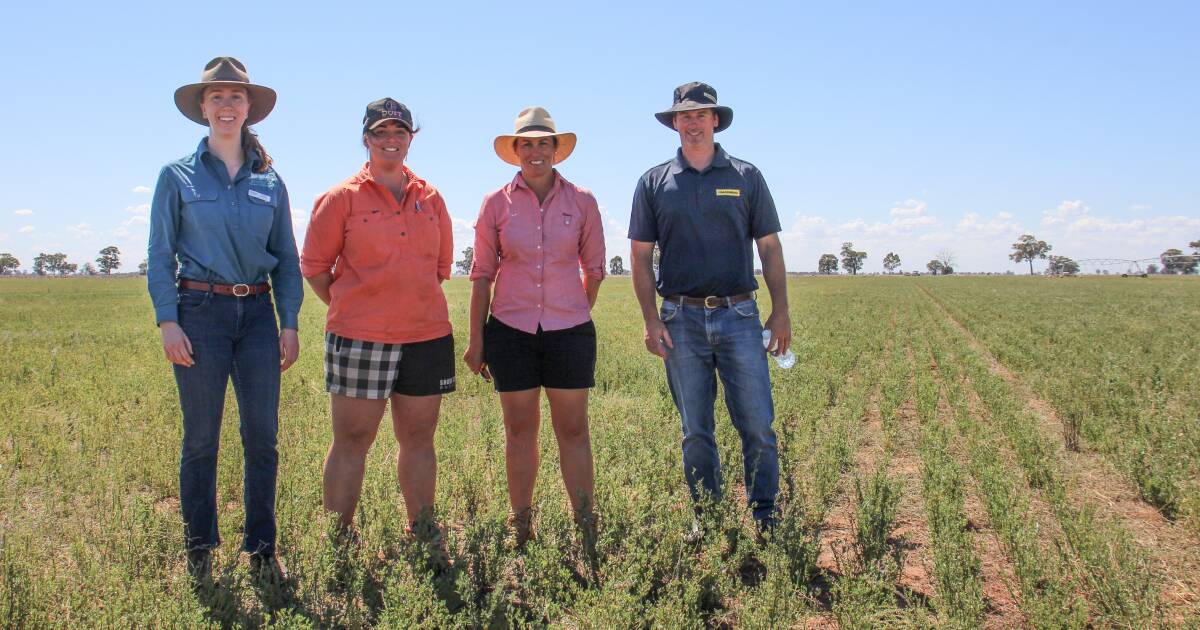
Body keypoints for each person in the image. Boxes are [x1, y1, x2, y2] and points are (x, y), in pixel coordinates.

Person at [148, 57, 302, 585]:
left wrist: (289, 323)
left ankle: (261, 546)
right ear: (202, 108)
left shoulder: (270, 181)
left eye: (236, 96)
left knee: (262, 436)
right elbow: (160, 252)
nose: (227, 105)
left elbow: (286, 257)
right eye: (217, 97)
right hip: (200, 314)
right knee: (201, 438)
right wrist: (169, 321)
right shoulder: (177, 177)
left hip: (258, 315)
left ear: (249, 107)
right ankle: (199, 545)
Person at [628, 82, 791, 537]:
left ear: (716, 120)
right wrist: (650, 318)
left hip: (739, 317)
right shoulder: (654, 182)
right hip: (680, 319)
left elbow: (770, 248)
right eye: (684, 115)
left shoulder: (746, 176)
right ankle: (709, 516)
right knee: (695, 429)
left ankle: (765, 514)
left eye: (702, 114)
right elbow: (640, 257)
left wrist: (780, 312)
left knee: (757, 423)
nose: (693, 122)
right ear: (674, 123)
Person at [300, 98, 455, 549]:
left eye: (399, 132)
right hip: (359, 338)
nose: (390, 140)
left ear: (411, 139)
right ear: (366, 139)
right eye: (380, 132)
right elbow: (314, 267)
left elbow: (441, 267)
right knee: (352, 438)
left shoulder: (431, 197)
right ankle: (339, 538)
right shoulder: (340, 199)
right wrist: (354, 306)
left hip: (426, 337)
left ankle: (422, 530)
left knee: (420, 437)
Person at [464, 107, 606, 546]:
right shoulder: (495, 203)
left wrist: (574, 312)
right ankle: (521, 523)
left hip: (570, 332)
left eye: (544, 143)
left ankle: (586, 524)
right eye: (527, 143)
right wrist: (476, 340)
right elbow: (482, 274)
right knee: (520, 432)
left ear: (556, 150)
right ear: (516, 151)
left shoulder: (582, 201)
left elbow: (595, 268)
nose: (535, 150)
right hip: (510, 331)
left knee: (574, 430)